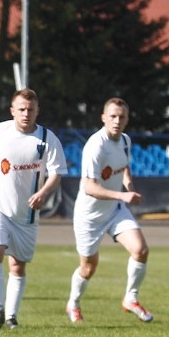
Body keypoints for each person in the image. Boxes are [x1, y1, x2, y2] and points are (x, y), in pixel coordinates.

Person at [0, 88, 67, 329]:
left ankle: (12, 315)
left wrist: (43, 193)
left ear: (38, 111)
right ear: (12, 110)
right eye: (22, 109)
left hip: (26, 212)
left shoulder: (47, 138)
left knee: (17, 264)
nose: (26, 114)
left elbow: (57, 171)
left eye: (31, 110)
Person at [67, 97, 153, 324]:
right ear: (103, 118)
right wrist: (123, 195)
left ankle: (130, 299)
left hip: (115, 210)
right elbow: (89, 187)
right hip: (89, 217)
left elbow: (124, 166)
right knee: (88, 268)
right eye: (112, 116)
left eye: (121, 116)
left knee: (141, 249)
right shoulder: (96, 145)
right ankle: (73, 304)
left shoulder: (125, 140)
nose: (117, 121)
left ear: (127, 119)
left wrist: (129, 187)